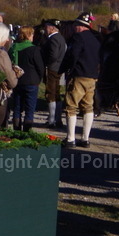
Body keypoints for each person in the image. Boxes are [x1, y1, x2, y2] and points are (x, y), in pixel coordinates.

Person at [61, 12, 101, 147]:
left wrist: (65, 70)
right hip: (92, 77)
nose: (73, 28)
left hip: (78, 76)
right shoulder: (95, 39)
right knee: (88, 107)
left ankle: (70, 138)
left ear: (80, 26)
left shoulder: (77, 38)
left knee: (71, 106)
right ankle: (85, 139)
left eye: (75, 25)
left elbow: (73, 56)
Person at [9, 26, 45, 132]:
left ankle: (16, 130)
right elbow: (40, 67)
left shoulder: (13, 48)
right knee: (30, 108)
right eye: (32, 34)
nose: (33, 36)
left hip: (17, 81)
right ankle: (27, 131)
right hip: (31, 81)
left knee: (17, 107)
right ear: (28, 35)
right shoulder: (34, 49)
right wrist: (39, 79)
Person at [40, 18, 67, 128]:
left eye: (46, 27)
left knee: (50, 93)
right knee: (56, 93)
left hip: (52, 68)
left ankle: (52, 119)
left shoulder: (53, 39)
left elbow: (53, 55)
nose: (45, 29)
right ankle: (57, 118)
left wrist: (46, 63)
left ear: (52, 28)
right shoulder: (60, 38)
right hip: (58, 68)